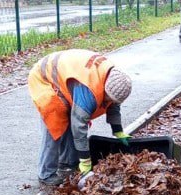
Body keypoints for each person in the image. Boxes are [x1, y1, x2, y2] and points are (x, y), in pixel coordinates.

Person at [27, 49, 133, 187]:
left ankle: (67, 162)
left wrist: (118, 130)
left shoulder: (115, 80)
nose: (109, 101)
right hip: (45, 78)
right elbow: (79, 126)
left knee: (70, 120)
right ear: (105, 88)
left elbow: (113, 105)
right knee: (55, 126)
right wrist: (85, 159)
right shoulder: (88, 90)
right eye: (108, 97)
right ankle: (46, 174)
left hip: (68, 75)